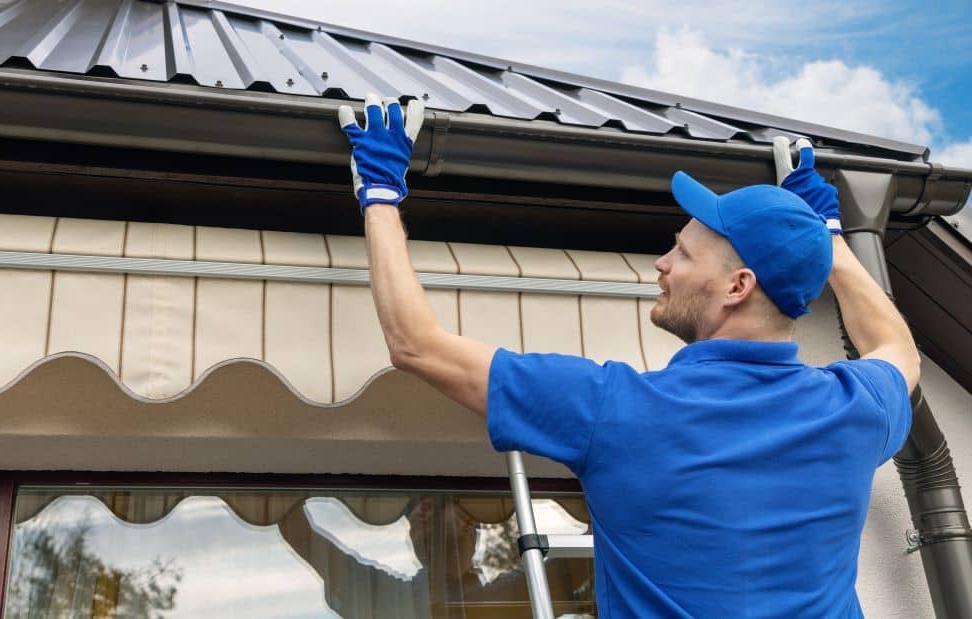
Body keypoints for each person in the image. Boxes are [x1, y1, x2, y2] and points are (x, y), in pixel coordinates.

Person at [337, 94, 918, 618]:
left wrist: (381, 194)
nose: (662, 263)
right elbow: (899, 350)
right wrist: (830, 241)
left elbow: (416, 344)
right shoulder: (853, 410)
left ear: (737, 287)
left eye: (683, 253)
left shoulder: (616, 411)